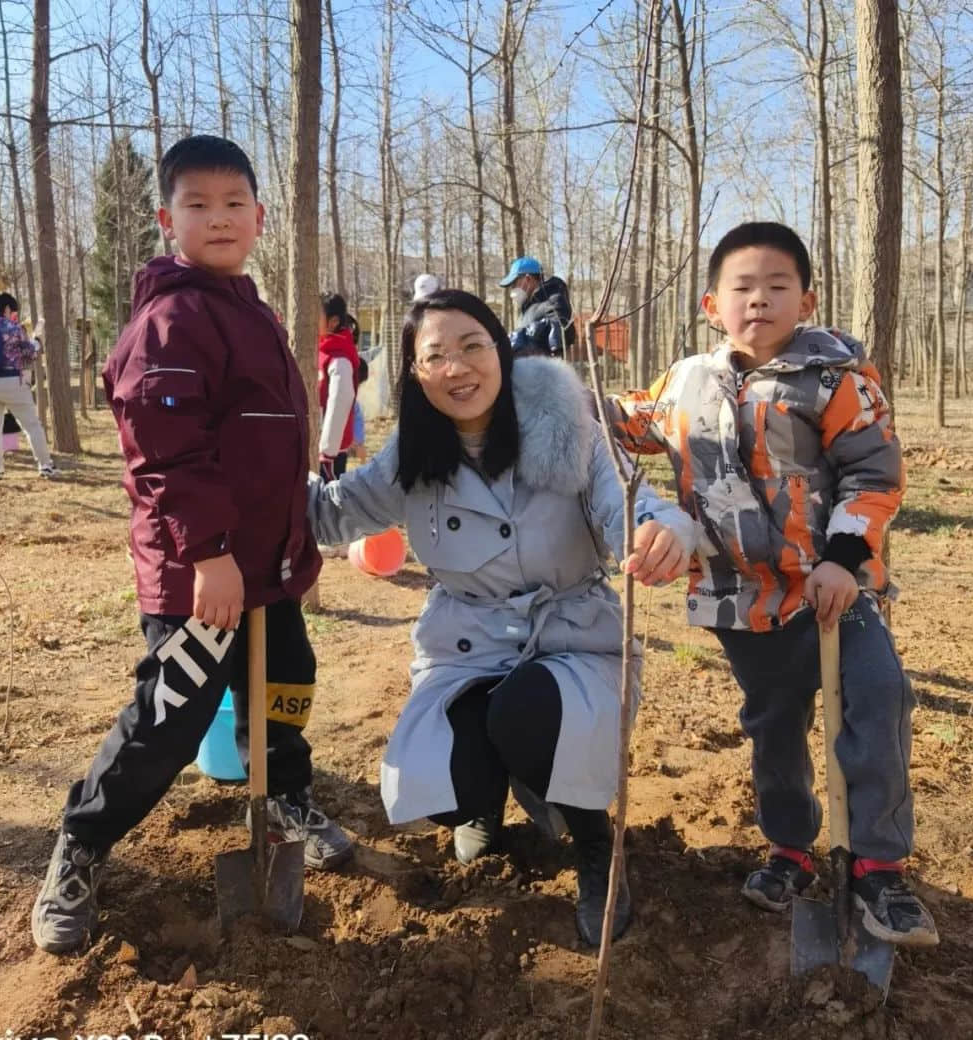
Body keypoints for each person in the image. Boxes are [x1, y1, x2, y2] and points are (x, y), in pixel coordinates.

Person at [31, 134, 353, 956]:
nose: (218, 218)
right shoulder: (171, 318)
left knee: (285, 683)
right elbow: (165, 452)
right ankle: (82, 845)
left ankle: (285, 794)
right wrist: (210, 554)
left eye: (234, 203)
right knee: (170, 717)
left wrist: (284, 551)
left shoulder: (253, 310)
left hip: (267, 565)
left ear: (261, 217)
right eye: (198, 204)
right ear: (165, 217)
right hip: (200, 573)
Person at [307, 289, 695, 946]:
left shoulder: (567, 423)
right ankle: (483, 800)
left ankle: (596, 845)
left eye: (472, 347)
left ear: (502, 353)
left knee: (526, 715)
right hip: (468, 643)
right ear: (416, 373)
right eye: (436, 356)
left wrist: (663, 531)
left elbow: (629, 504)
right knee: (438, 784)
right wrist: (258, 486)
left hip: (572, 637)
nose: (456, 368)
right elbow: (333, 511)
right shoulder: (415, 452)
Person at [606, 221, 939, 947]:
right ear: (711, 303)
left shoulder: (837, 379)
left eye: (777, 286)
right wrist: (552, 388)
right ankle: (791, 848)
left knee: (879, 699)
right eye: (742, 288)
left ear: (806, 298)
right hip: (744, 599)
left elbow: (874, 474)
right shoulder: (687, 383)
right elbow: (618, 428)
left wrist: (843, 561)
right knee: (773, 724)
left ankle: (879, 864)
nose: (759, 301)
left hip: (836, 593)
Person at [0, 294, 54, 481]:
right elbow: (30, 354)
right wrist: (37, 341)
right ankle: (45, 465)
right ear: (5, 308)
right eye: (12, 310)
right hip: (13, 383)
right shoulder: (13, 328)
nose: (13, 314)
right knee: (32, 425)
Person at [318, 292, 359, 481]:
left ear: (332, 322)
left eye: (316, 316)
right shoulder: (323, 349)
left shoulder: (339, 358)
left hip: (329, 454)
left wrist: (327, 452)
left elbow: (340, 400)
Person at [499, 256, 575, 359]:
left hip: (546, 369)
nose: (512, 289)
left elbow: (561, 330)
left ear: (528, 279)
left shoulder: (553, 299)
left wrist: (524, 335)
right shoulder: (527, 308)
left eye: (514, 284)